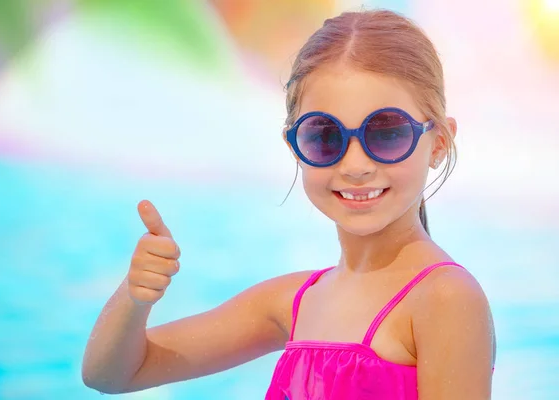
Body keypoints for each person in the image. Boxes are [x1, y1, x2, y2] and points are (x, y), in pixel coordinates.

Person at [82, 9, 496, 399]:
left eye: (387, 133)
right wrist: (135, 299)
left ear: (439, 142)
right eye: (325, 136)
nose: (355, 166)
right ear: (295, 145)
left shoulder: (444, 299)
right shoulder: (293, 302)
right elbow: (112, 374)